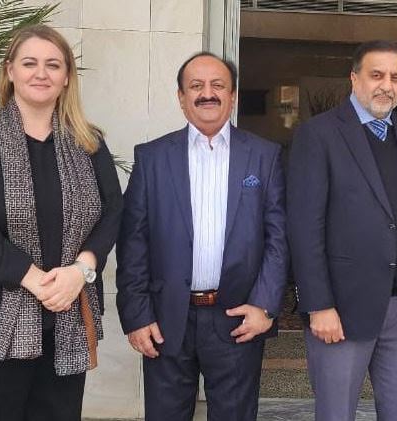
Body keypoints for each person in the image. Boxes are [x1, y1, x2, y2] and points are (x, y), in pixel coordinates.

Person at [0, 24, 123, 421]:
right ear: (9, 71)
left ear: (67, 76)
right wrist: (32, 278)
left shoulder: (88, 141)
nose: (41, 73)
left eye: (53, 64)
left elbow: (113, 212)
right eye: (29, 63)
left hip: (65, 312)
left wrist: (81, 270)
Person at [116, 52, 288, 421]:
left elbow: (278, 238)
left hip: (238, 319)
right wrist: (137, 315)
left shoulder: (264, 156)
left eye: (217, 85)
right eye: (196, 86)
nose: (207, 93)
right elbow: (133, 242)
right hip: (165, 319)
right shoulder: (152, 157)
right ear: (181, 97)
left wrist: (264, 306)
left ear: (233, 95)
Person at [287, 40, 397, 421]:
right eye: (376, 75)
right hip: (341, 308)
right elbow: (304, 227)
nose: (386, 85)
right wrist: (318, 304)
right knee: (336, 413)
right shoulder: (318, 134)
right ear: (354, 78)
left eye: (396, 77)